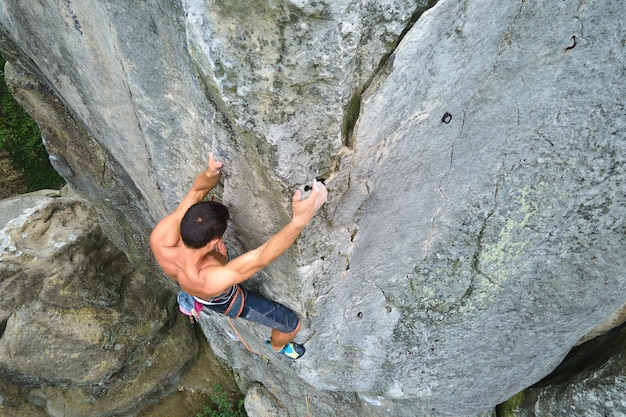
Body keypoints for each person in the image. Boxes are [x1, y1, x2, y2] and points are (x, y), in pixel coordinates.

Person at [149, 154, 327, 359]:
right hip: (223, 298)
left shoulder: (161, 236)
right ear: (214, 243)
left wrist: (211, 172)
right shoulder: (208, 279)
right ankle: (278, 347)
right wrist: (299, 221)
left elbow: (197, 190)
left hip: (189, 277)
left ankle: (192, 297)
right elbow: (261, 257)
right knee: (290, 324)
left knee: (199, 279)